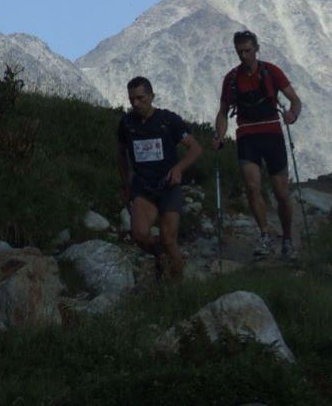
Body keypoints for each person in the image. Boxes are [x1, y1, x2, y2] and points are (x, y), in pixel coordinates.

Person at [214, 30, 302, 258]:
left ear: (256, 49)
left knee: (281, 193)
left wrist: (293, 114)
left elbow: (294, 100)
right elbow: (223, 112)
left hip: (272, 133)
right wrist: (219, 135)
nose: (243, 56)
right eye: (239, 51)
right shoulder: (231, 79)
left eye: (247, 51)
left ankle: (287, 238)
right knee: (252, 187)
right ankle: (264, 234)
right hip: (247, 136)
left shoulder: (271, 72)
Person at [116, 76, 202, 280]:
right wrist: (126, 181)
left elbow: (196, 148)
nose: (136, 103)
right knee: (139, 234)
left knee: (169, 239)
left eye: (140, 98)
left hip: (168, 186)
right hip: (143, 187)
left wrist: (179, 168)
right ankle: (160, 256)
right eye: (131, 99)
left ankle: (178, 285)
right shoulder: (127, 123)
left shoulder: (168, 120)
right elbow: (120, 153)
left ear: (151, 96)